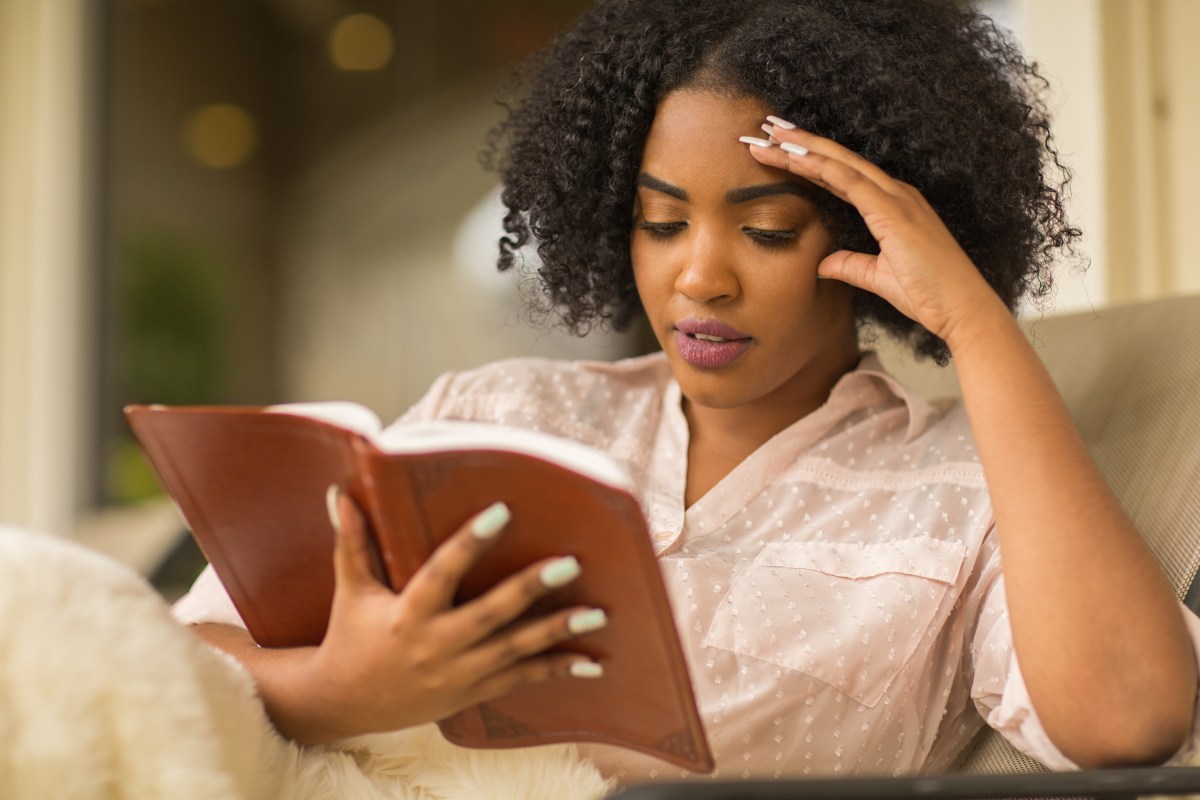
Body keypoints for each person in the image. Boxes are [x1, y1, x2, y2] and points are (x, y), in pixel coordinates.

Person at [174, 0, 1200, 787]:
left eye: (766, 230)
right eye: (661, 224)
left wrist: (974, 321)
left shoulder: (968, 496)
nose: (699, 277)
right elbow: (181, 650)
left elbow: (1131, 718)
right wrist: (339, 689)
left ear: (866, 234)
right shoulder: (494, 410)